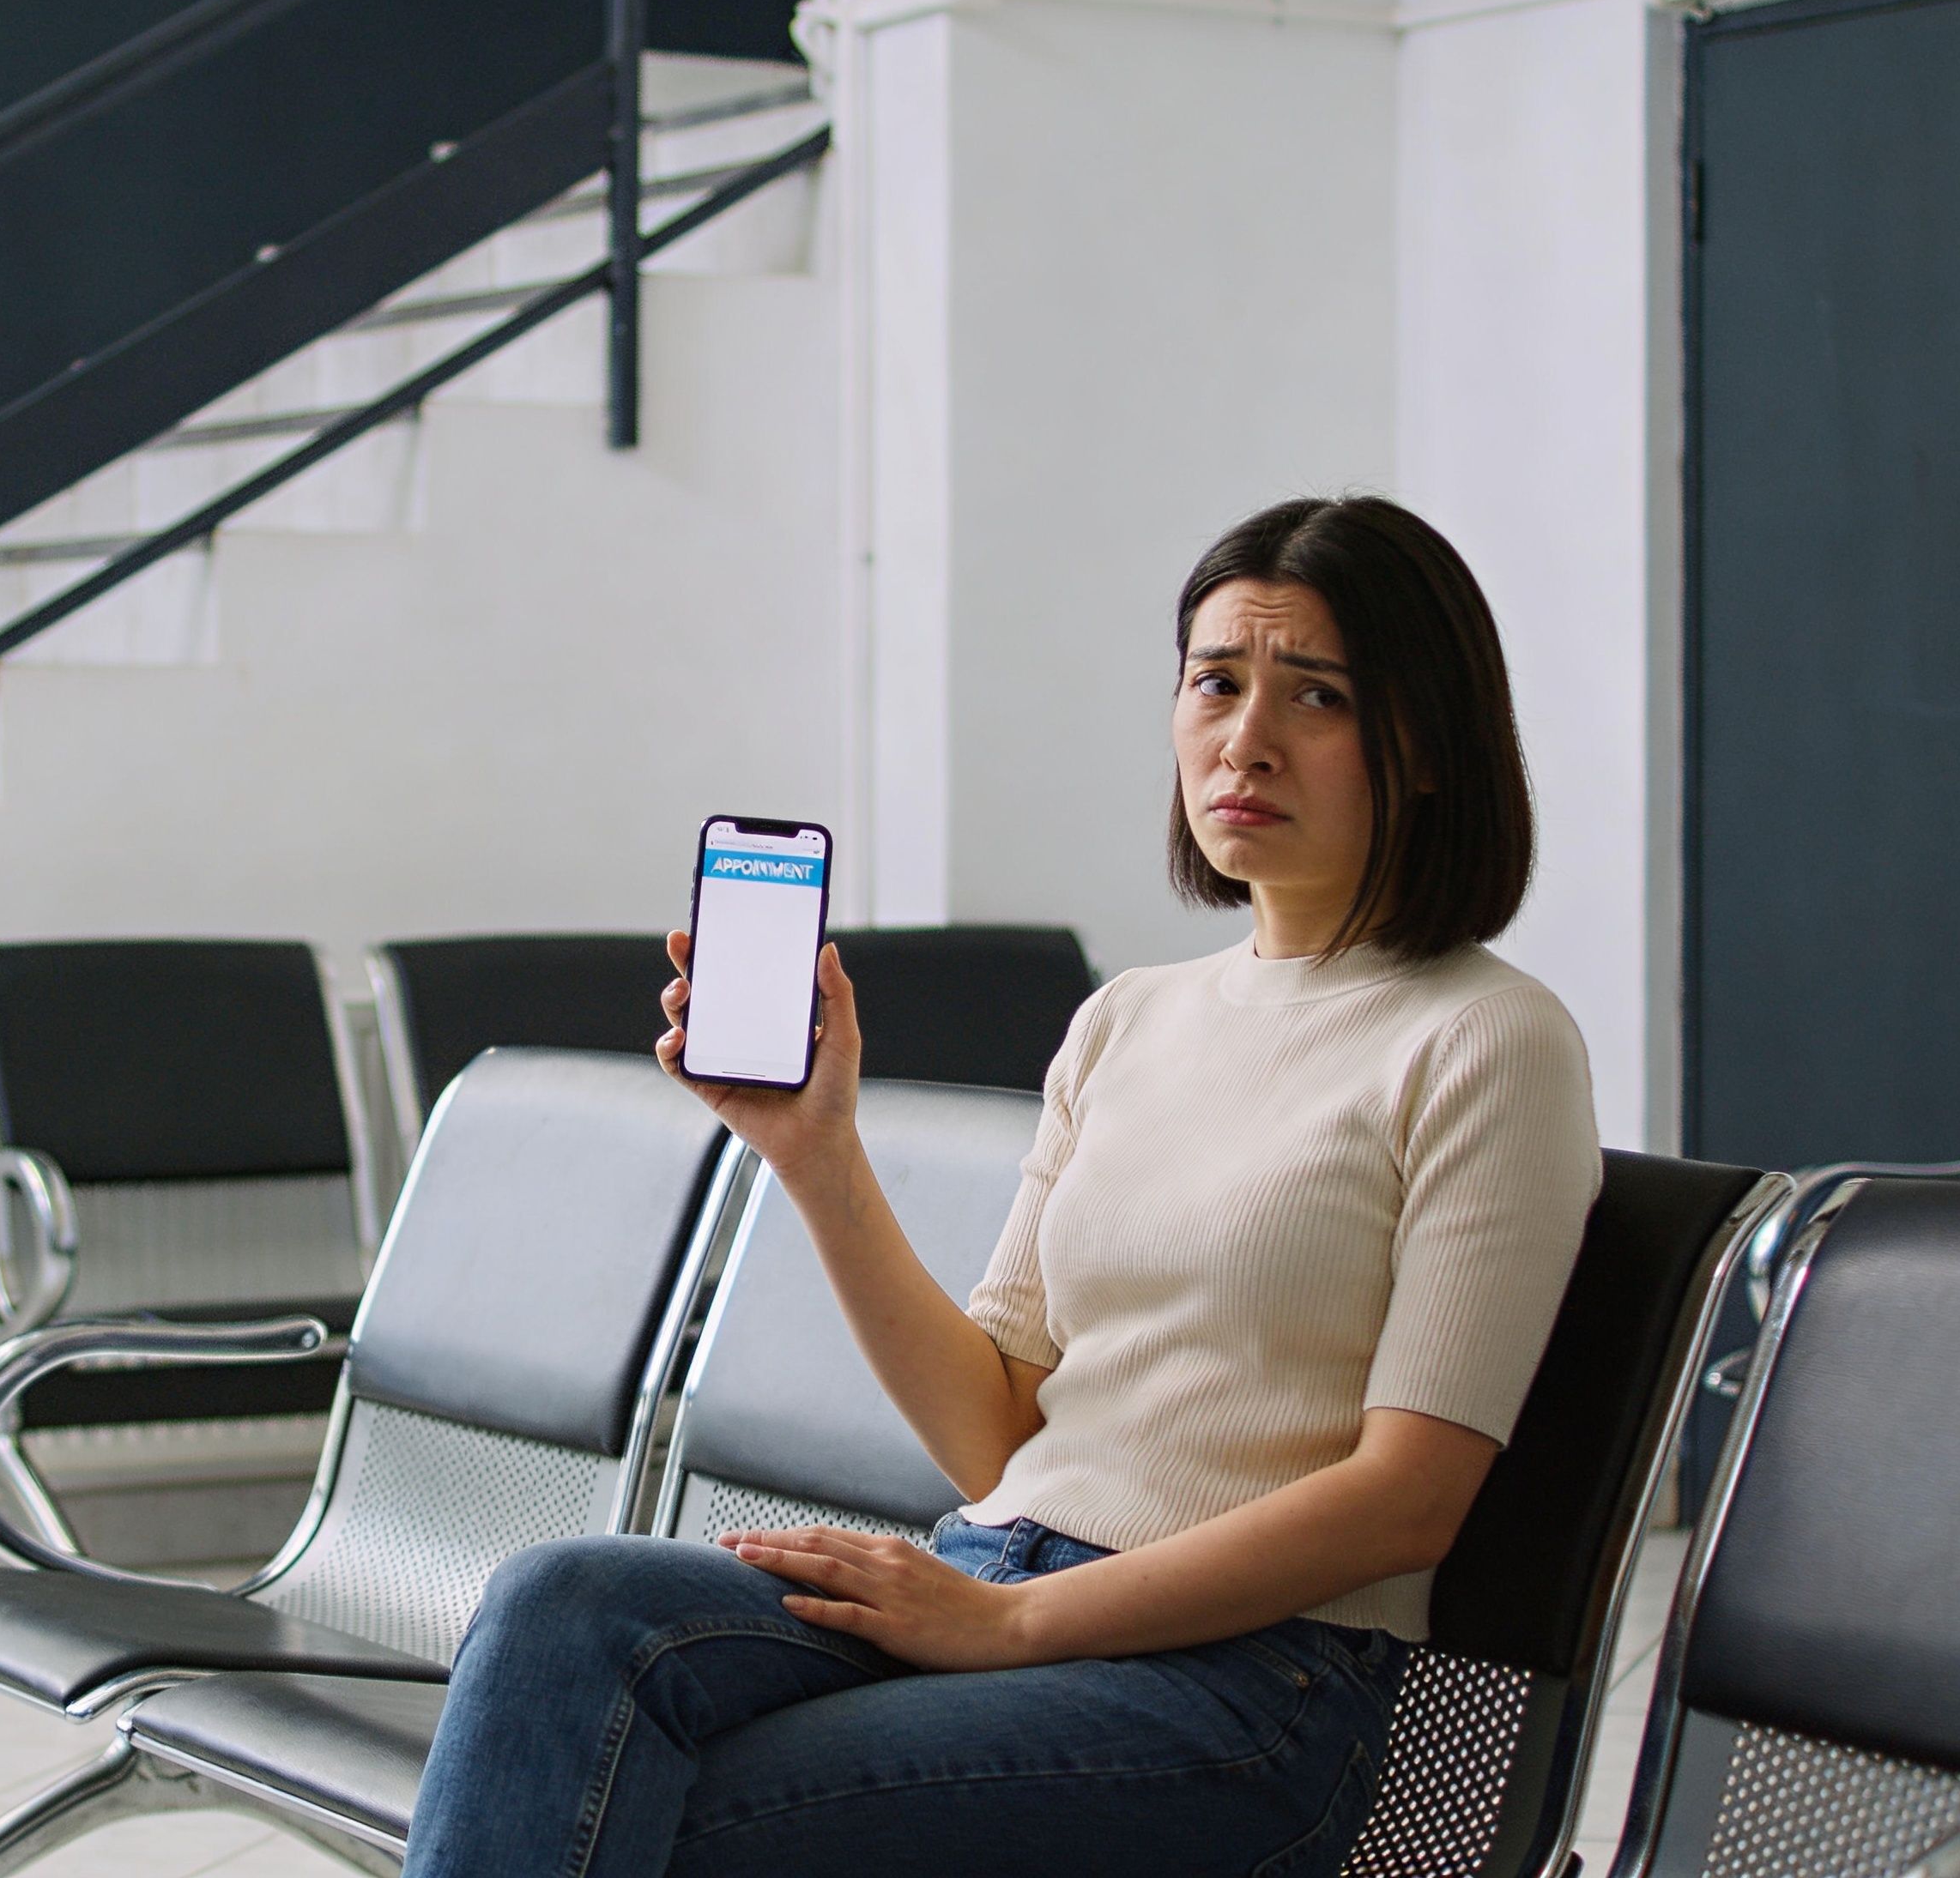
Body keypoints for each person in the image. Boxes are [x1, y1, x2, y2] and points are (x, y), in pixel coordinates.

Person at [399, 496, 1602, 1878]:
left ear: (1429, 744)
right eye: (1215, 681)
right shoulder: (1128, 1021)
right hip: (995, 1565)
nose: (1245, 738)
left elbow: (1407, 1499)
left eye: (1315, 696)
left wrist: (1018, 1628)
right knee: (565, 1603)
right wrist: (817, 1152)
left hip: (1250, 1687)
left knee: (644, 1804)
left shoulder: (1486, 1040)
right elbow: (997, 1432)